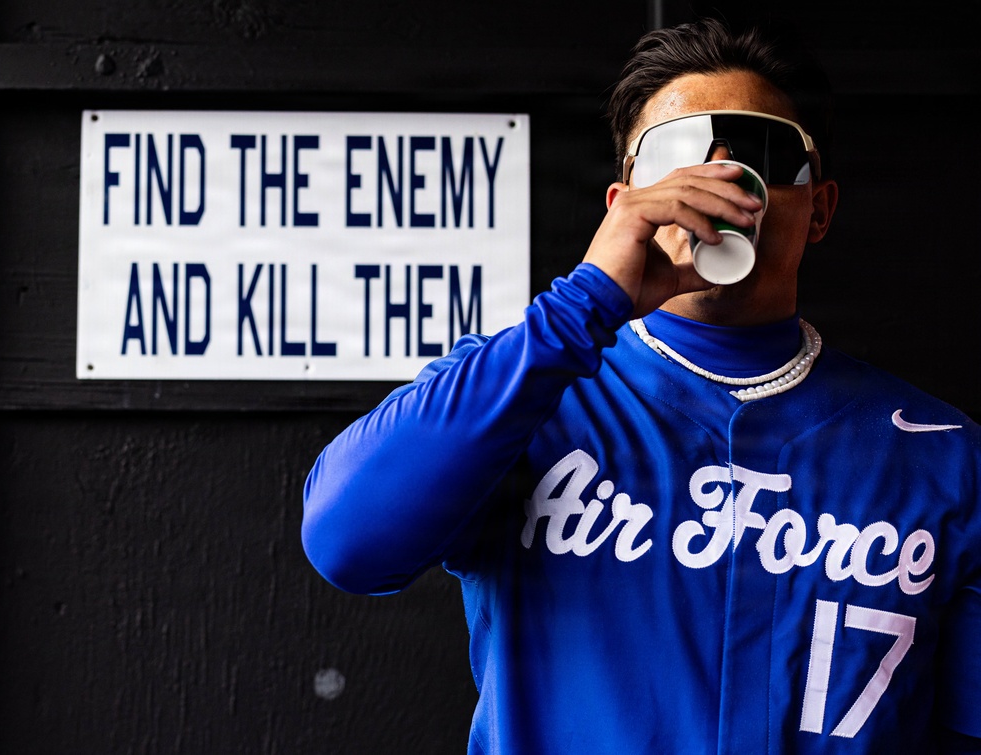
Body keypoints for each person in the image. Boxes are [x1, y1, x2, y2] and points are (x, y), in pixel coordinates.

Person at [301, 16, 981, 754]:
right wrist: (585, 302)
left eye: (761, 150)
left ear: (818, 208)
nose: (717, 178)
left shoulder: (944, 454)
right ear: (622, 200)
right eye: (677, 154)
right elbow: (346, 541)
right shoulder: (528, 390)